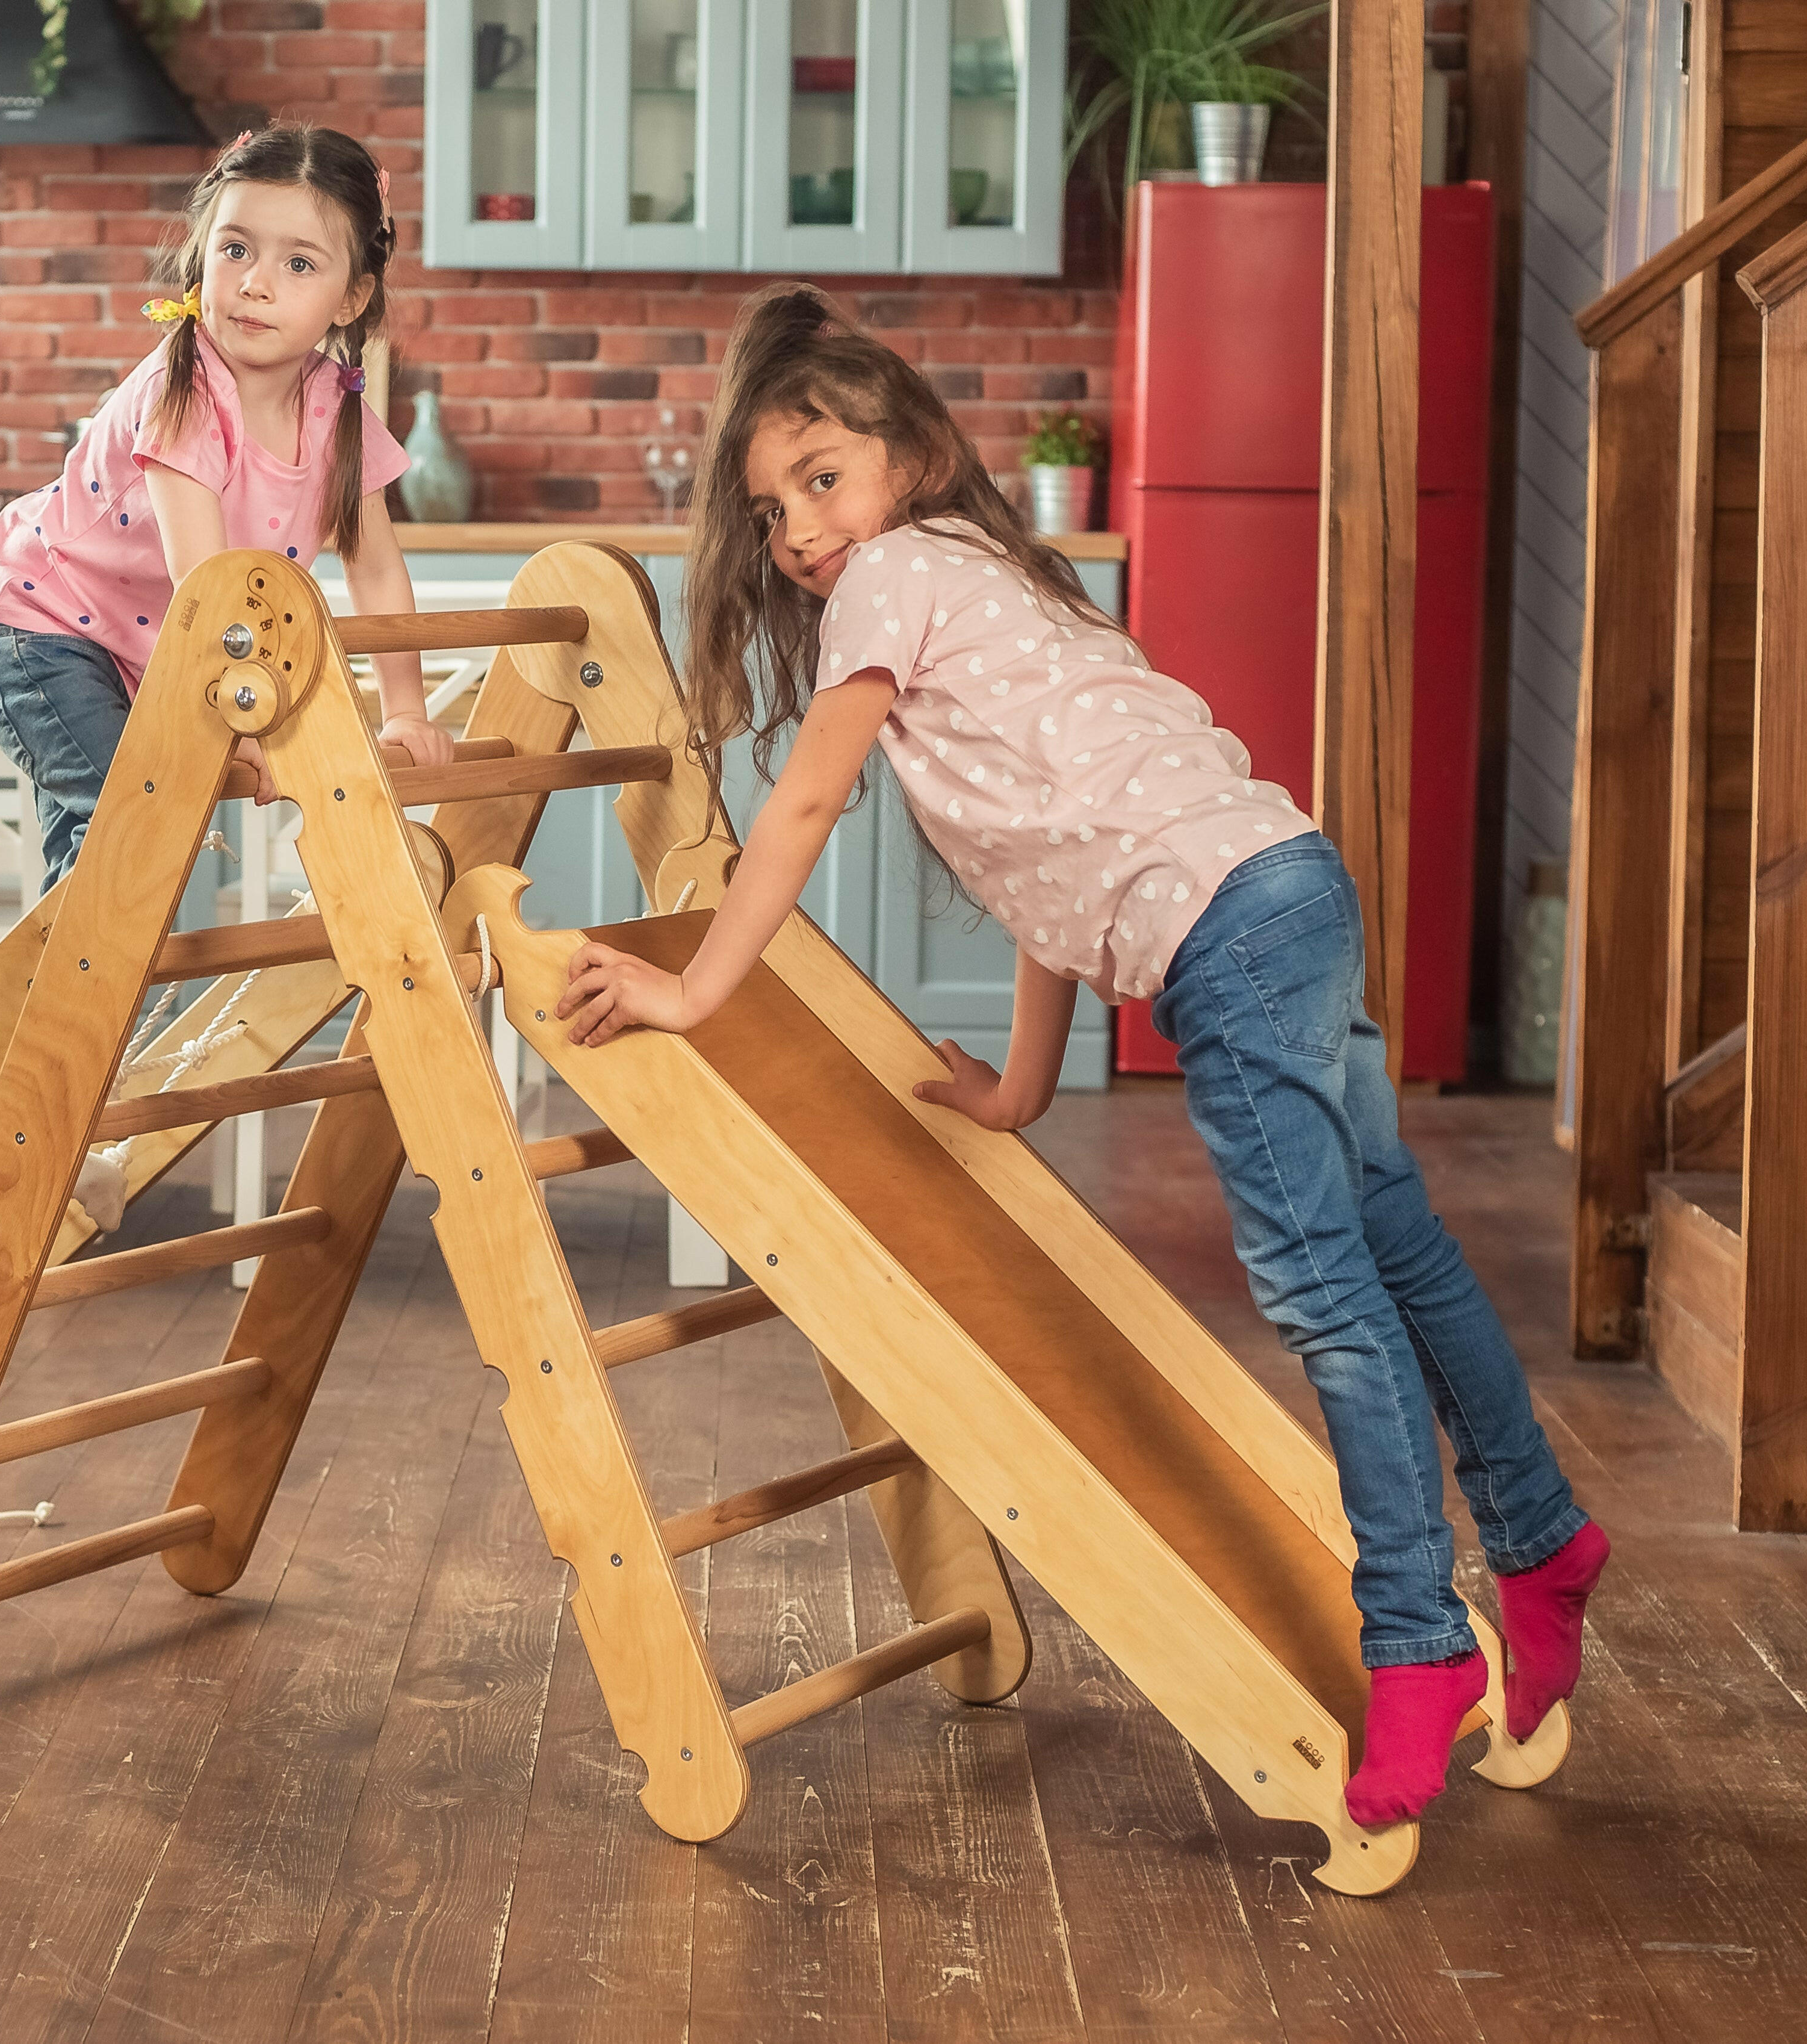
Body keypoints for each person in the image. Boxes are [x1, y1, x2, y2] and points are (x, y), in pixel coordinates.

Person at [557, 282, 1610, 1830]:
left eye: (820, 478)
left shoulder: (888, 587)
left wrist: (696, 993)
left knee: (1321, 1289)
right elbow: (1050, 870)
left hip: (1227, 943)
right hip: (1288, 887)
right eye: (772, 509)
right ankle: (1540, 1539)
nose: (795, 530)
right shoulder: (998, 573)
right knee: (1388, 1241)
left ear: (909, 453)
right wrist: (1022, 1086)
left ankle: (1416, 1645)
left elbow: (798, 809)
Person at [0, 123, 451, 883]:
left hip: (145, 652)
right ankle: (75, 1000)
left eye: (299, 263)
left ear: (353, 297)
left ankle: (52, 996)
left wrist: (406, 709)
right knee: (133, 823)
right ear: (201, 255)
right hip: (37, 629)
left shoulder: (339, 411)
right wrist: (243, 714)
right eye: (236, 249)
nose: (255, 281)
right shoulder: (183, 392)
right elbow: (205, 583)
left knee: (108, 856)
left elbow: (376, 567)